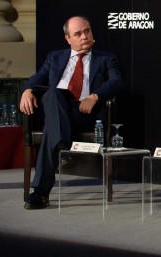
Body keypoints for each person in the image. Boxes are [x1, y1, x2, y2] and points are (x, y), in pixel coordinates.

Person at [19, 16, 124, 209]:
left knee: (52, 128)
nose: (84, 36)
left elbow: (116, 81)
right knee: (52, 93)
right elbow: (36, 78)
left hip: (84, 114)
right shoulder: (55, 57)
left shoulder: (105, 59)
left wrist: (94, 97)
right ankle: (61, 147)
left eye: (87, 31)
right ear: (68, 38)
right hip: (58, 109)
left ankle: (41, 192)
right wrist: (27, 90)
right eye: (78, 34)